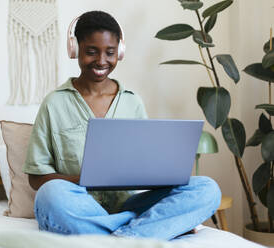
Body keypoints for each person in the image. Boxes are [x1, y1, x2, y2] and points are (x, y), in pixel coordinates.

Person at [23, 10, 221, 240]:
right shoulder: (54, 103)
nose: (101, 61)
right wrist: (84, 179)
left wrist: (159, 175)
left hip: (130, 204)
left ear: (120, 52)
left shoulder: (132, 101)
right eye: (91, 52)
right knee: (49, 195)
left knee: (207, 188)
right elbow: (36, 178)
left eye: (110, 52)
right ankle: (143, 232)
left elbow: (146, 164)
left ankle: (118, 238)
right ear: (75, 49)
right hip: (79, 205)